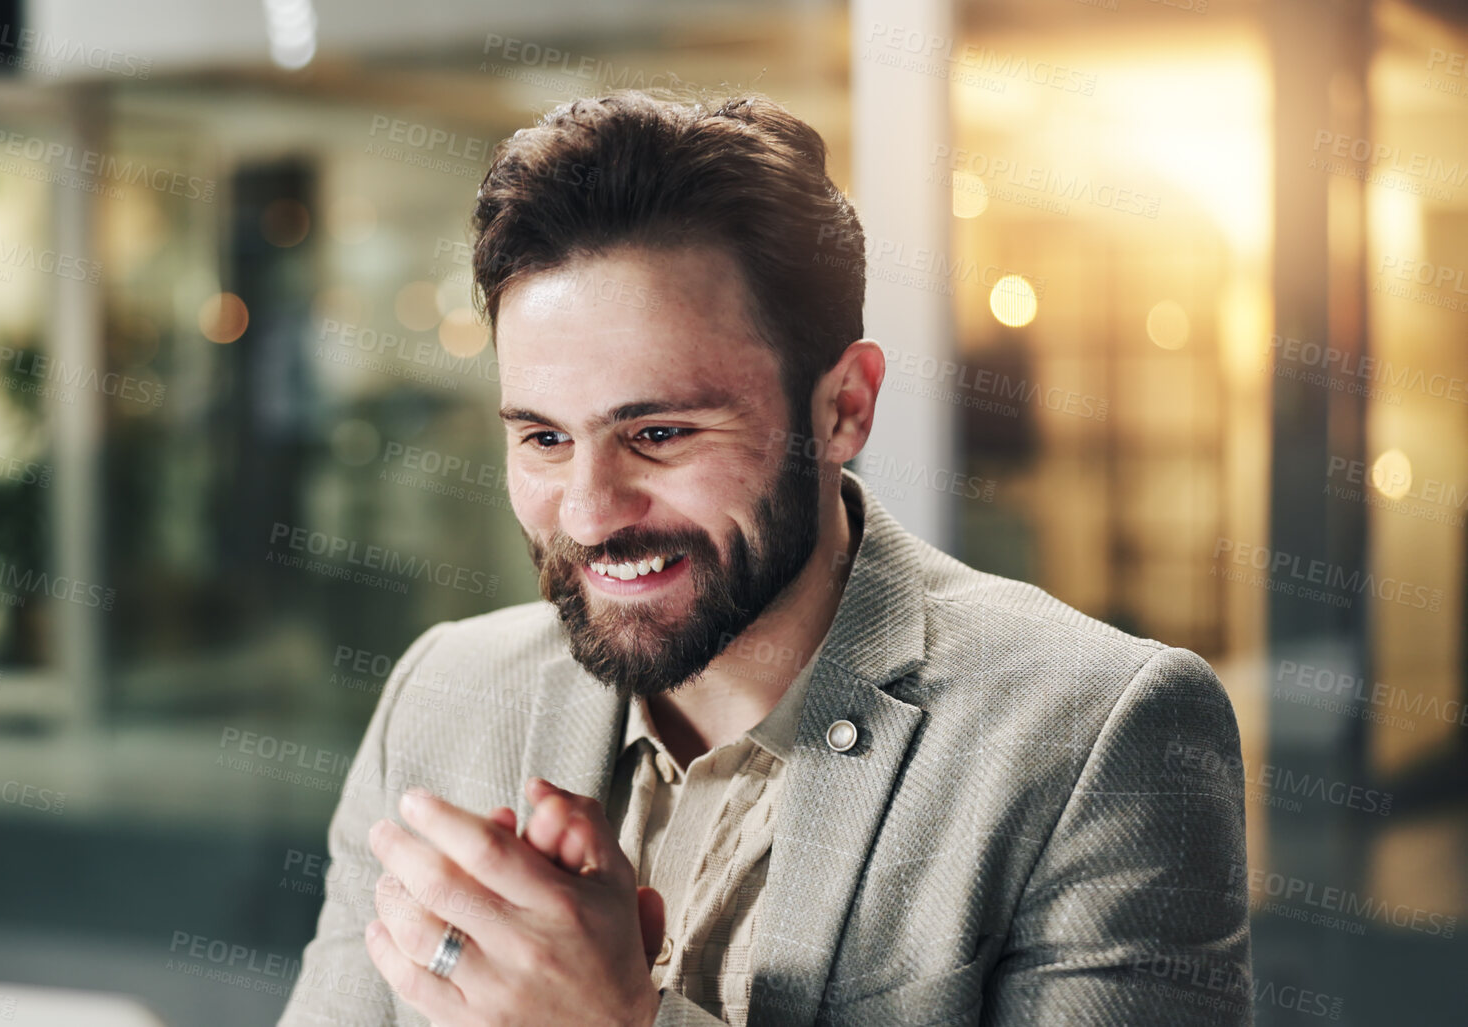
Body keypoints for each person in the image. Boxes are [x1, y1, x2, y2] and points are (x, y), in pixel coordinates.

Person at [277, 89, 1250, 1027]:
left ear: (844, 408)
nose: (587, 511)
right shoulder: (442, 696)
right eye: (542, 438)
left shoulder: (1096, 735)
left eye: (658, 433)